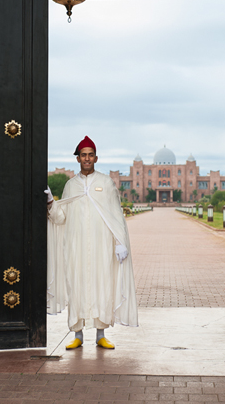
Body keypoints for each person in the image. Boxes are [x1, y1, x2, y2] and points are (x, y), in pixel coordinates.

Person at [45, 135, 138, 349]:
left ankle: (100, 335)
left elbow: (116, 217)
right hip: (76, 248)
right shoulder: (71, 185)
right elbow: (61, 217)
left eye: (90, 155)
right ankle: (77, 335)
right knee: (76, 286)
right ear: (78, 159)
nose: (87, 159)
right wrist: (51, 202)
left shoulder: (106, 183)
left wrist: (119, 242)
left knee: (101, 285)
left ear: (96, 158)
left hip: (101, 247)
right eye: (83, 155)